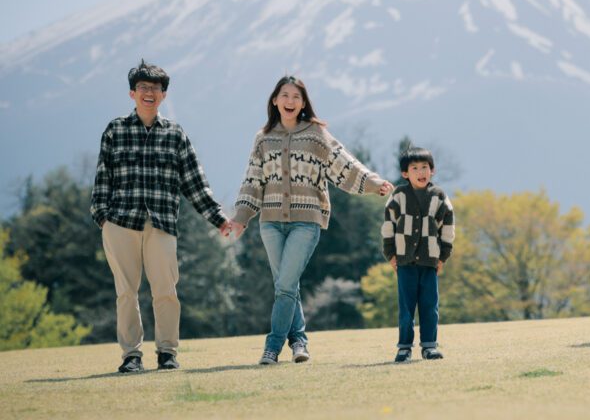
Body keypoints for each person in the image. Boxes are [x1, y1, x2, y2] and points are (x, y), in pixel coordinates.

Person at [91, 60, 242, 373]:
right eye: (143, 87)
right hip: (120, 223)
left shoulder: (175, 134)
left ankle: (167, 353)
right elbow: (103, 177)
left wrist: (218, 218)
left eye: (156, 88)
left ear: (163, 95)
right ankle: (131, 356)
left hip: (162, 224)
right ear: (132, 93)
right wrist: (102, 217)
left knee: (166, 291)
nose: (149, 92)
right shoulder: (115, 130)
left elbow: (194, 182)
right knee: (126, 293)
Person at [232, 75, 393, 365]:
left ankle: (272, 348)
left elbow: (344, 163)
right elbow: (253, 179)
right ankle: (299, 343)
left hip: (306, 221)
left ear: (304, 103)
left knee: (284, 285)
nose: (290, 101)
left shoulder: (316, 134)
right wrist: (241, 217)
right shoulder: (263, 138)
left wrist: (373, 183)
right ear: (275, 100)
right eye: (285, 95)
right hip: (270, 222)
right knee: (286, 284)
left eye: (296, 97)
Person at [381, 147, 455, 362]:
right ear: (405, 173)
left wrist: (443, 257)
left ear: (432, 170)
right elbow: (388, 226)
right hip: (404, 261)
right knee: (406, 307)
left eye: (425, 167)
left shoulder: (439, 196)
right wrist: (390, 254)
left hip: (430, 261)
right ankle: (404, 347)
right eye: (414, 168)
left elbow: (448, 228)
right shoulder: (399, 196)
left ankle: (429, 346)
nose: (421, 172)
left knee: (429, 306)